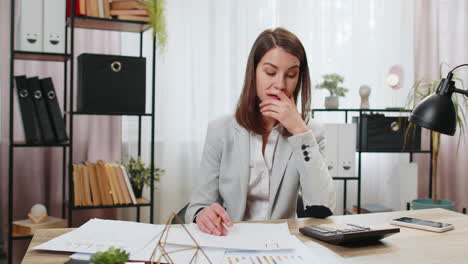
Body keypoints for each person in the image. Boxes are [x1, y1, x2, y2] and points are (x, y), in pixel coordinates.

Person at [185, 27, 336, 236]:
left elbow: (324, 207)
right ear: (253, 72)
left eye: (291, 75)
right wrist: (203, 213)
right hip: (230, 240)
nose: (280, 84)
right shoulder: (220, 130)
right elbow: (198, 205)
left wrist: (299, 130)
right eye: (270, 73)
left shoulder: (310, 133)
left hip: (283, 243)